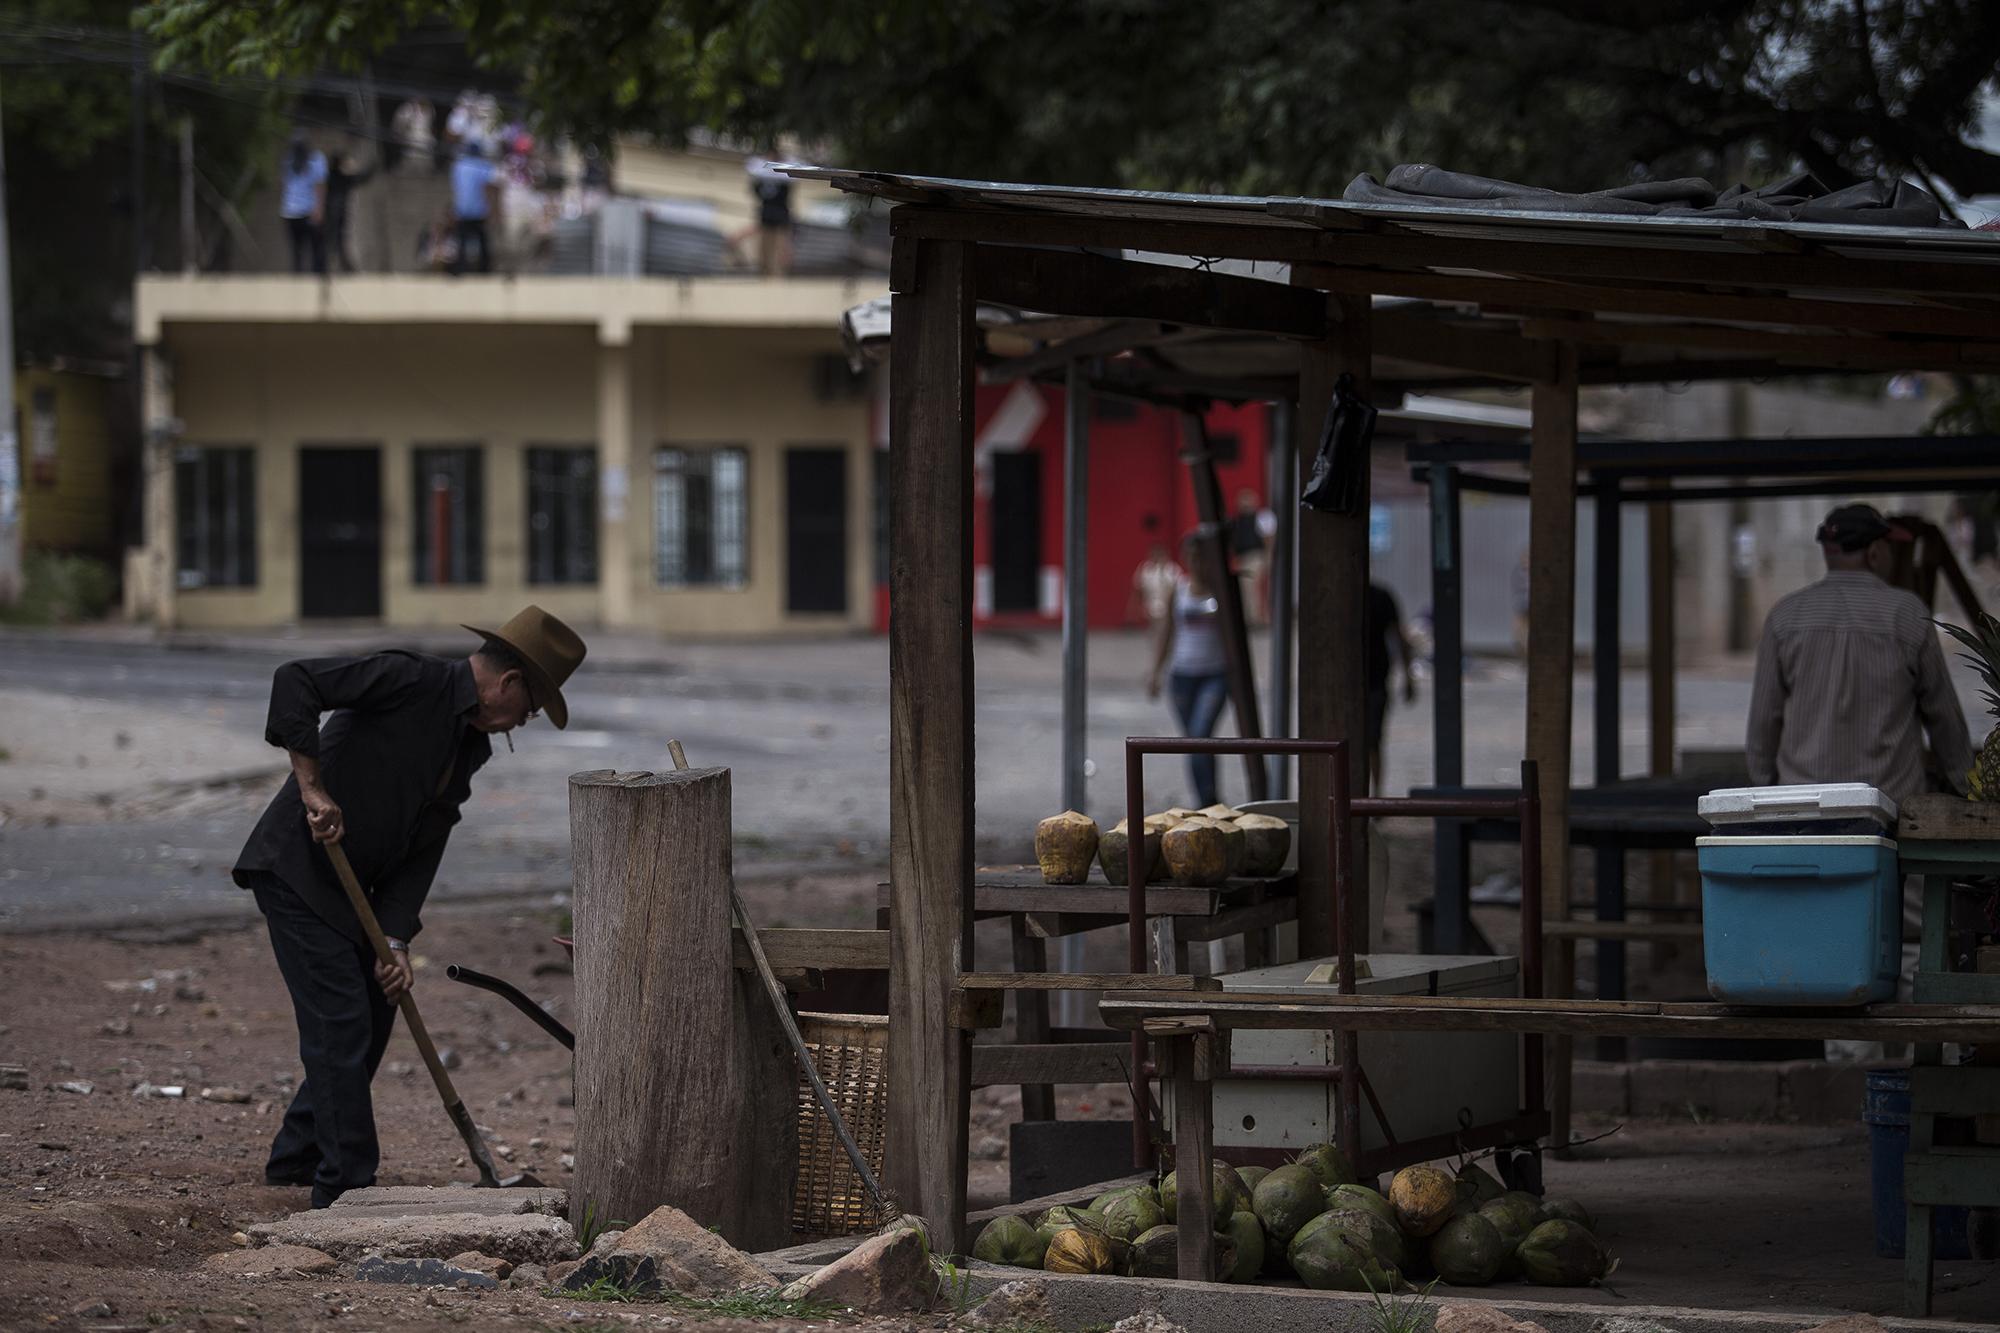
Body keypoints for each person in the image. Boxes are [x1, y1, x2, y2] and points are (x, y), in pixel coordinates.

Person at [233, 607, 586, 1207]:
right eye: (527, 711)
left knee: (373, 1010)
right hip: (297, 870)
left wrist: (395, 938)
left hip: (357, 895)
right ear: (509, 683)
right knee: (340, 1019)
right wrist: (312, 786)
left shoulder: (469, 745)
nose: (519, 724)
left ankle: (296, 1157)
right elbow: (296, 679)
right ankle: (346, 1187)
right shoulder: (409, 679)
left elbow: (427, 841)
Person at [1746, 504, 1974, 1061]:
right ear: (1876, 550)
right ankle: (1913, 1065)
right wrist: (1971, 795)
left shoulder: (1786, 617)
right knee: (1911, 935)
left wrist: (1764, 799)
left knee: (1826, 938)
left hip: (1809, 818)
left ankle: (1847, 1071)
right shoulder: (1908, 616)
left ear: (1828, 549)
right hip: (1892, 813)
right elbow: (1945, 722)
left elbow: (1762, 728)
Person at [1148, 534, 1231, 807]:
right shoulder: (1179, 590)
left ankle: (1208, 799)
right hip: (1182, 676)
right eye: (1193, 557)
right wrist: (1155, 672)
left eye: (1203, 557)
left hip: (1214, 674)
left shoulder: (1223, 590)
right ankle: (1206, 799)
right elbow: (1167, 632)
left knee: (1200, 734)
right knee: (1195, 743)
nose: (1198, 563)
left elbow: (1237, 636)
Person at [1365, 581, 1419, 795]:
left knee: (1372, 741)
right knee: (1371, 742)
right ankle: (1373, 795)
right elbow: (1399, 638)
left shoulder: (1380, 597)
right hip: (1375, 678)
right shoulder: (1380, 595)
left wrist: (1408, 677)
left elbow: (1399, 637)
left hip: (1375, 679)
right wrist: (1408, 677)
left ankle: (1375, 794)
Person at [278, 132, 328, 275]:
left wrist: (318, 210)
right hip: (291, 212)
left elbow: (319, 186)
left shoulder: (316, 160)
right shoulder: (288, 160)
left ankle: (316, 277)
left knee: (316, 249)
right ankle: (298, 278)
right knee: (297, 249)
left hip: (309, 211)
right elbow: (286, 186)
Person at [448, 141, 499, 275]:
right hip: (479, 210)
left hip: (462, 209)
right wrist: (494, 211)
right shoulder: (484, 166)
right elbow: (490, 188)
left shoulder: (458, 166)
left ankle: (460, 269)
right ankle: (484, 270)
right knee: (482, 241)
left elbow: (456, 188)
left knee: (462, 241)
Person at [323, 150, 375, 274]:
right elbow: (362, 177)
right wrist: (374, 165)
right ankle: (339, 267)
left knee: (337, 242)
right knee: (338, 242)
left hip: (334, 214)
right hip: (337, 214)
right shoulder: (341, 176)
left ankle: (339, 266)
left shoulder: (331, 175)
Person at [1227, 489, 1273, 625]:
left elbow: (1268, 538)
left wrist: (1267, 556)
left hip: (1255, 556)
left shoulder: (1261, 517)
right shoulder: (1236, 521)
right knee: (1245, 590)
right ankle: (1250, 618)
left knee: (1253, 589)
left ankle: (1257, 618)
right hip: (1242, 557)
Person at [1126, 521, 1180, 627]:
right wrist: (1134, 610)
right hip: (1150, 610)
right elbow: (1137, 589)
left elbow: (1179, 589)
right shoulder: (1145, 569)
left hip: (1168, 610)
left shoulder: (1173, 569)